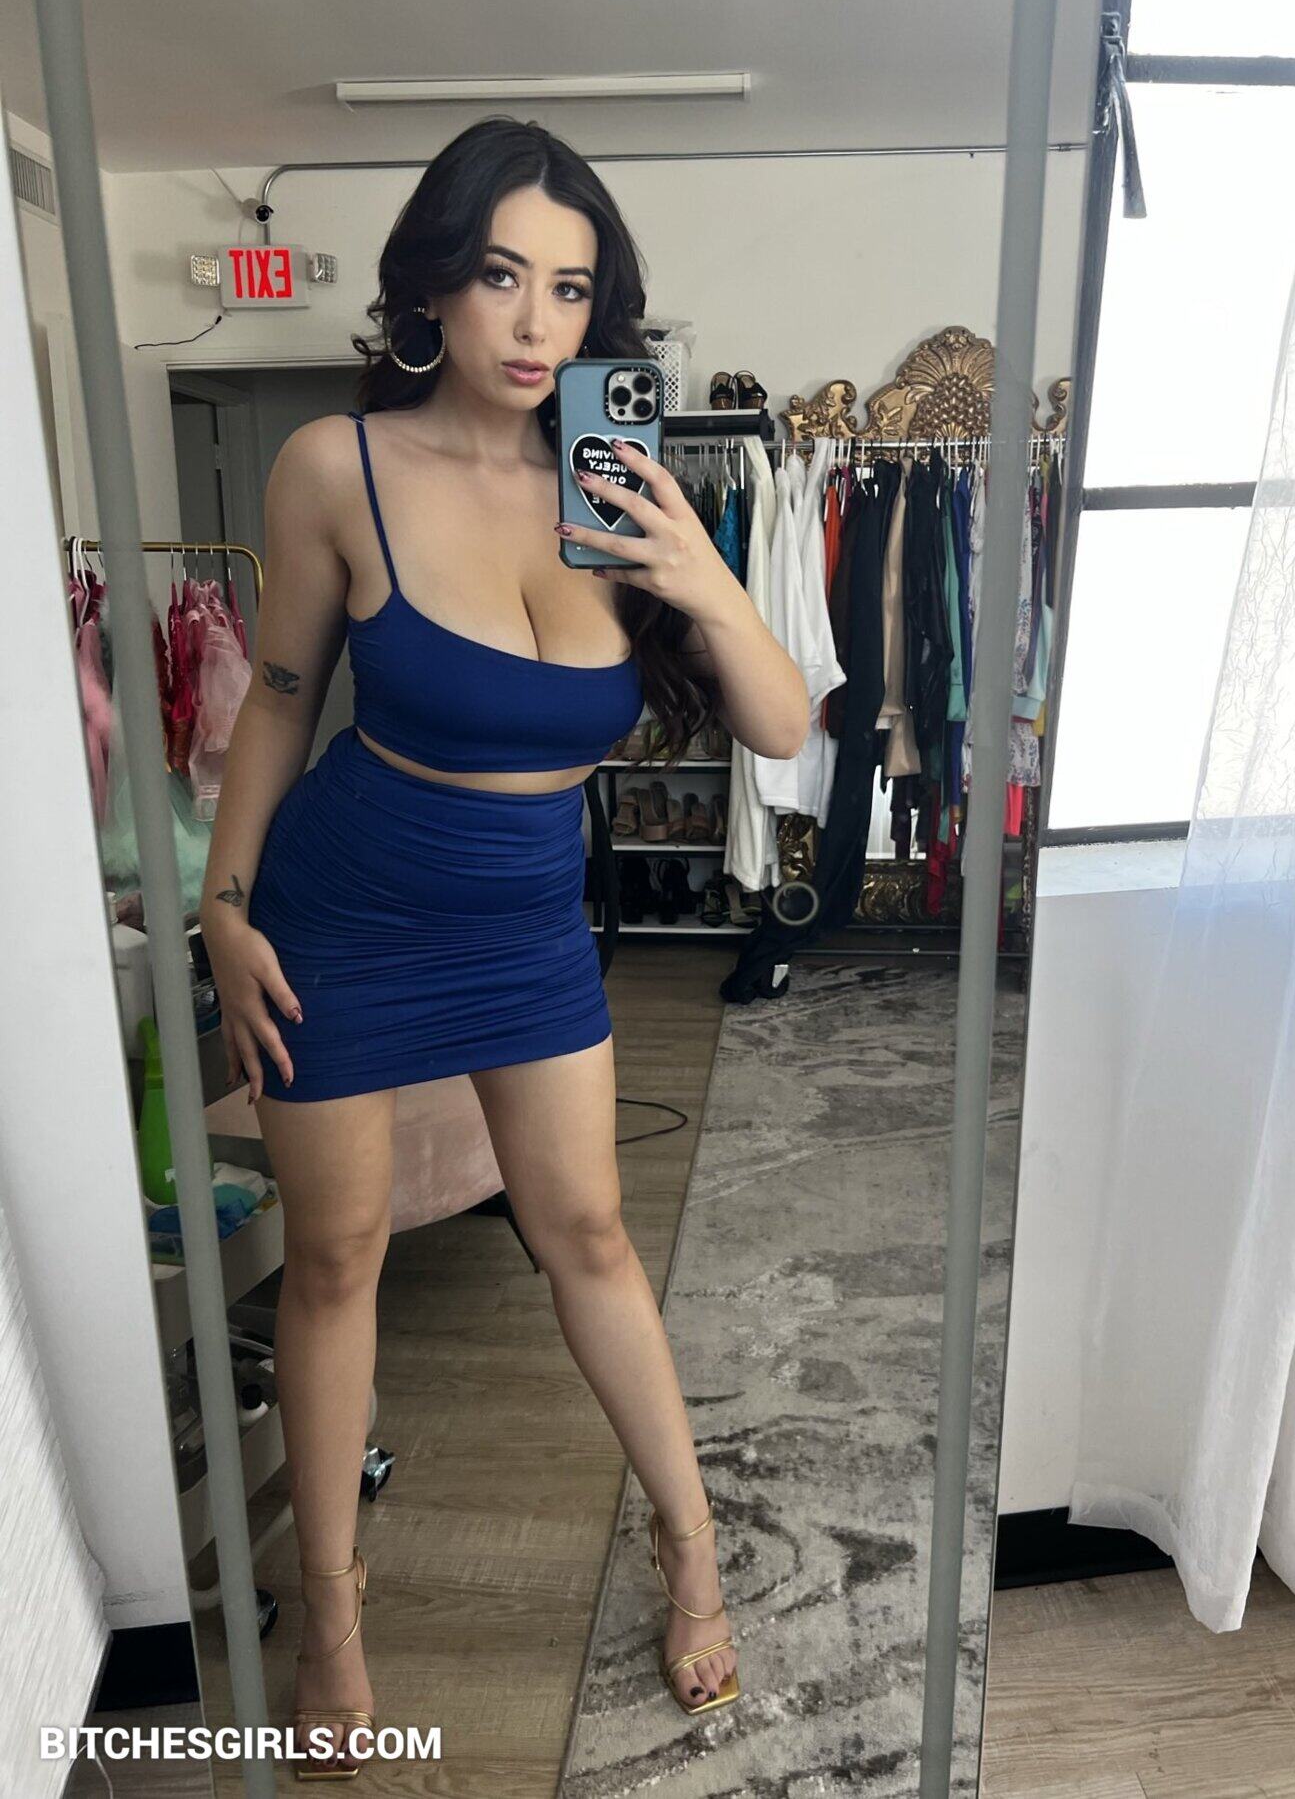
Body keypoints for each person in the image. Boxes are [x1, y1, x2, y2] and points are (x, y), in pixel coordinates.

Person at [197, 115, 809, 1776]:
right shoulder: (335, 466)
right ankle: (334, 1627)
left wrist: (700, 570)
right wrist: (224, 906)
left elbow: (778, 726)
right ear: (431, 289)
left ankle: (685, 1543)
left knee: (587, 1234)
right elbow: (277, 702)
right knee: (336, 1262)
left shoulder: (618, 491)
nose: (536, 324)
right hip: (345, 914)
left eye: (571, 288)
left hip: (526, 926)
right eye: (499, 277)